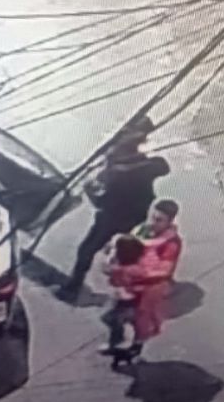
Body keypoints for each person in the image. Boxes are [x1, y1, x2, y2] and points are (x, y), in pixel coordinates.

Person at [62, 117, 168, 299]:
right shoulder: (139, 165)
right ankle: (134, 285)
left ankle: (73, 287)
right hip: (134, 217)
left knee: (88, 249)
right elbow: (161, 167)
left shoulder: (121, 172)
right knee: (127, 253)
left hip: (113, 218)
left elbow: (102, 201)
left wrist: (90, 190)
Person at [113, 199, 183, 363]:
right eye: (152, 217)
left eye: (159, 220)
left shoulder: (171, 243)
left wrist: (135, 271)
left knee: (141, 321)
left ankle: (134, 349)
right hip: (130, 285)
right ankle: (115, 341)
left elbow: (163, 270)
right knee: (113, 315)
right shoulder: (141, 230)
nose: (152, 223)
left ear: (169, 222)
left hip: (150, 289)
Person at [99, 234, 146, 357]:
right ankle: (135, 341)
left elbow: (106, 269)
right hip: (131, 300)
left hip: (126, 302)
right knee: (131, 321)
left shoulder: (121, 271)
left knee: (111, 318)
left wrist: (110, 258)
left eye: (114, 247)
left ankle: (118, 341)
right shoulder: (135, 266)